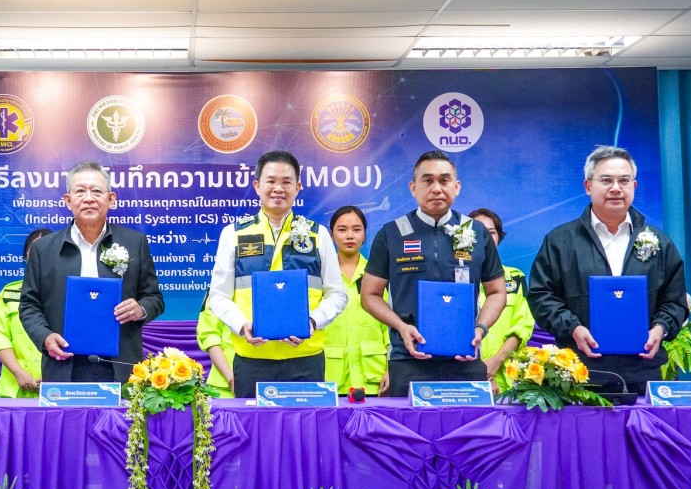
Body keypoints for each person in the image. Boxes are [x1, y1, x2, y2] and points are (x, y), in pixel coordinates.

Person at [528, 145, 688, 395]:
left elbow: (675, 301)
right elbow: (541, 296)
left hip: (642, 371)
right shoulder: (560, 241)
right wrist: (573, 328)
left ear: (634, 186)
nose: (615, 188)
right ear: (588, 186)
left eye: (624, 180)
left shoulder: (659, 242)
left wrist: (660, 328)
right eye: (606, 180)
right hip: (577, 370)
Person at [360, 150, 507, 398]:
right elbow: (369, 295)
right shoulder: (391, 234)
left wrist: (480, 329)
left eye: (444, 180)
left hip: (465, 357)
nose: (436, 188)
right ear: (413, 188)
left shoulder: (477, 232)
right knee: (406, 424)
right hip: (408, 358)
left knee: (467, 424)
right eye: (427, 181)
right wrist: (401, 327)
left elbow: (497, 292)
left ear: (457, 187)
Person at [208, 150, 348, 398]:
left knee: (306, 424)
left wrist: (312, 322)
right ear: (257, 186)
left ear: (298, 187)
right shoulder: (234, 234)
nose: (278, 189)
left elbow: (337, 294)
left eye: (286, 182)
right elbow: (218, 296)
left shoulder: (317, 235)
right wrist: (241, 325)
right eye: (271, 181)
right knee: (252, 425)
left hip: (306, 360)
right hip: (252, 360)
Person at [19, 160, 164, 383]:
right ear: (68, 200)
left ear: (111, 199)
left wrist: (141, 309)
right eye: (80, 191)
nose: (88, 198)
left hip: (120, 365)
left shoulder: (135, 243)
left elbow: (154, 298)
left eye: (96, 191)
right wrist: (44, 337)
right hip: (63, 363)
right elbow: (29, 305)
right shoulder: (43, 249)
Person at [322, 206, 389, 396]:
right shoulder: (321, 276)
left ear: (365, 235)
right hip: (330, 379)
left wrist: (390, 369)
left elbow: (389, 329)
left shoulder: (379, 276)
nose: (349, 236)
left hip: (374, 378)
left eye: (356, 229)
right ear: (331, 235)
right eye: (342, 230)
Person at [467, 207, 536, 389]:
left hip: (508, 378)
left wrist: (496, 361)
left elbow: (522, 328)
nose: (485, 238)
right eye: (478, 232)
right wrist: (477, 370)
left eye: (491, 233)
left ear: (499, 238)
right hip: (465, 376)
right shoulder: (455, 277)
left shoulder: (515, 278)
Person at [0, 228, 51, 398]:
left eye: (47, 254)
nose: (40, 259)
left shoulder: (69, 294)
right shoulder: (7, 294)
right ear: (25, 258)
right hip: (14, 388)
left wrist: (52, 376)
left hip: (57, 388)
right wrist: (18, 372)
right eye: (35, 254)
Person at [195, 291, 235, 397]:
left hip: (274, 380)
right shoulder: (216, 290)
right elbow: (209, 337)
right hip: (225, 384)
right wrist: (231, 379)